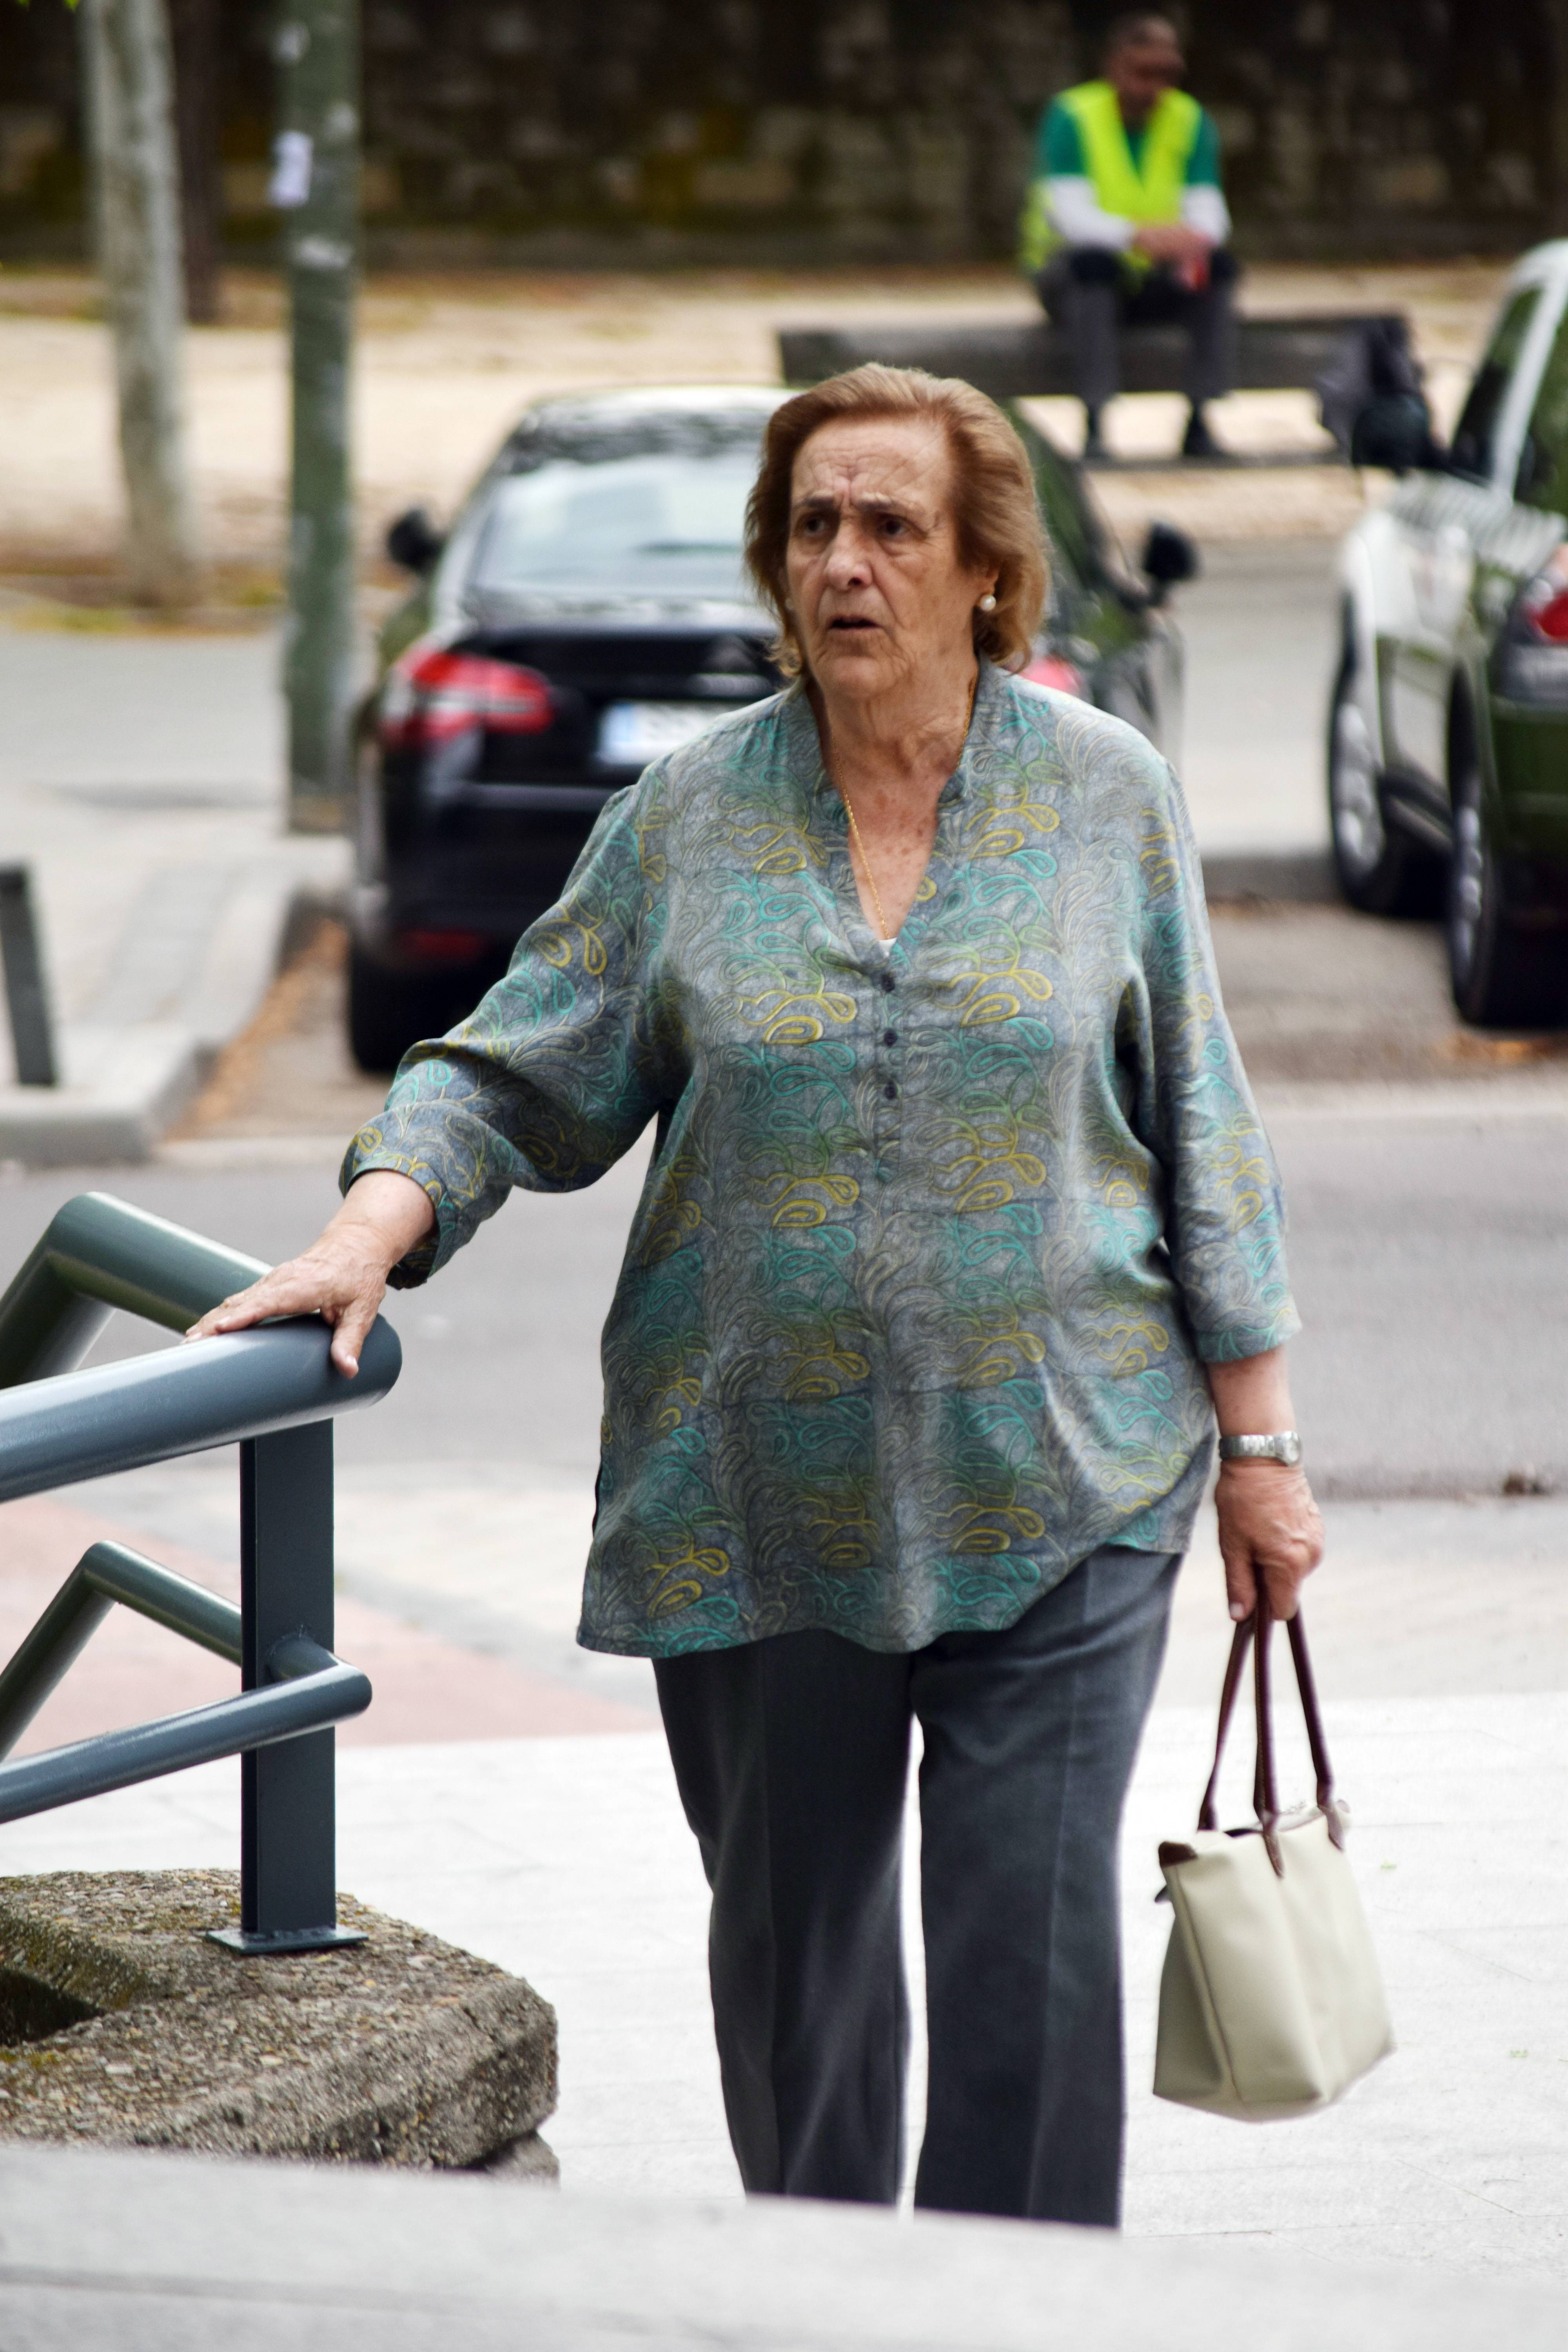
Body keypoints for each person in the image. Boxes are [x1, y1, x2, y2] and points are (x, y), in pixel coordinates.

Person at [189, 362, 1323, 2227]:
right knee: (797, 1983)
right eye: (811, 525)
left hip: (1066, 1481)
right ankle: (817, 2301)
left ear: (983, 573)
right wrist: (368, 1228)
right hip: (757, 1502)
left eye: (890, 525)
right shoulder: (689, 818)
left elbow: (1203, 1127)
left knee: (1026, 1963)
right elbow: (502, 1072)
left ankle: (1012, 2324)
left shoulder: (1107, 801)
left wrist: (1264, 1452)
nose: (842, 563)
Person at [1019, 12, 1238, 463]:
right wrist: (1140, 237)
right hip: (1073, 278)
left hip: (1155, 277)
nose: (1153, 86)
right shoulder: (1073, 116)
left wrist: (1186, 242)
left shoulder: (1189, 119)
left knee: (1218, 269)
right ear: (1114, 66)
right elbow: (1070, 214)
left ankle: (1200, 417)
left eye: (1167, 74)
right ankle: (1095, 422)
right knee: (1092, 268)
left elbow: (1211, 213)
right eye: (1143, 72)